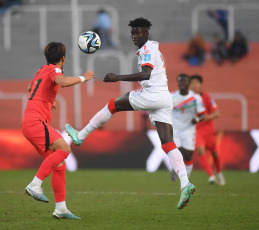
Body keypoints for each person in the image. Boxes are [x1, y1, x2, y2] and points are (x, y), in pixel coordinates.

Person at [66, 17, 196, 210]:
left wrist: (117, 77)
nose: (135, 35)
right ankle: (185, 183)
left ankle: (80, 135)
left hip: (152, 95)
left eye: (139, 32)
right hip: (164, 98)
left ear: (147, 33)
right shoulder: (149, 48)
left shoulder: (148, 50)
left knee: (112, 105)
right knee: (168, 144)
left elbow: (146, 74)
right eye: (133, 32)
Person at [22, 42, 95, 219]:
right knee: (64, 149)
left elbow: (30, 87)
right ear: (63, 58)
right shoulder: (55, 70)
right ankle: (35, 185)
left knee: (59, 165)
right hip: (36, 122)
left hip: (29, 122)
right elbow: (61, 82)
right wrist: (83, 78)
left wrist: (48, 100)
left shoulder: (41, 70)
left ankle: (61, 209)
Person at [190, 74, 226, 185]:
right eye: (192, 83)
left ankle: (219, 173)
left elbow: (217, 113)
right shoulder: (188, 99)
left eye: (196, 83)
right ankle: (211, 176)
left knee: (215, 154)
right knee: (200, 150)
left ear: (201, 84)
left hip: (209, 130)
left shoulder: (207, 98)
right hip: (197, 131)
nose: (194, 85)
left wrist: (206, 117)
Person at [171, 74, 205, 181]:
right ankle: (178, 172)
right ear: (178, 83)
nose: (183, 83)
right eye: (181, 81)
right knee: (178, 153)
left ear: (188, 83)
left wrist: (198, 119)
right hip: (175, 129)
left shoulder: (196, 98)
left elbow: (202, 115)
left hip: (189, 130)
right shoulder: (172, 97)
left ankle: (186, 177)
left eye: (185, 81)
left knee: (188, 155)